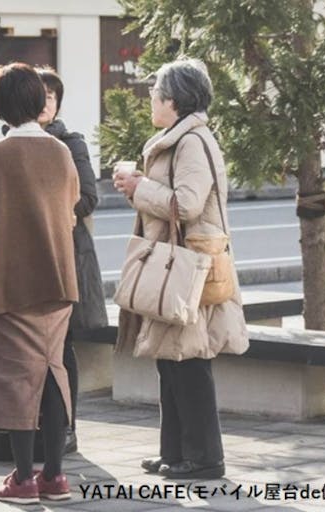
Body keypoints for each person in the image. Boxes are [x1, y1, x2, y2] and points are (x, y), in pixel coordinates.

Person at [112, 58, 248, 480]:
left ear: (173, 100)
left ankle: (205, 459)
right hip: (173, 265)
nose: (150, 100)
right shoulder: (178, 138)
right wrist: (139, 188)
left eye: (155, 94)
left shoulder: (192, 142)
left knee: (189, 363)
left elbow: (187, 204)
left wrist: (140, 187)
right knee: (170, 360)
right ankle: (174, 453)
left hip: (189, 268)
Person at [0, 62, 79, 505]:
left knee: (17, 378)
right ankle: (55, 476)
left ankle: (24, 478)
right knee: (52, 372)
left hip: (10, 286)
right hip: (59, 282)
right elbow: (70, 211)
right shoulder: (61, 152)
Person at [35, 67, 108, 453]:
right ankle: (33, 426)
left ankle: (66, 427)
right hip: (28, 258)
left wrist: (46, 208)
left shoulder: (70, 143)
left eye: (51, 96)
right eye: (39, 95)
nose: (45, 102)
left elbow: (88, 198)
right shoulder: (9, 144)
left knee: (61, 347)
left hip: (64, 254)